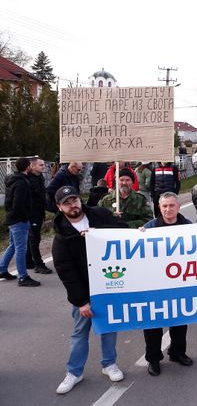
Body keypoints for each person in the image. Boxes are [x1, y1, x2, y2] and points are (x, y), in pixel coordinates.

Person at [51, 186, 127, 394]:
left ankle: (109, 364)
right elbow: (66, 273)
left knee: (109, 329)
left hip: (109, 286)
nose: (72, 204)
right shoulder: (61, 237)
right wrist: (81, 301)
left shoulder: (99, 215)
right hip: (84, 293)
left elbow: (123, 231)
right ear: (59, 207)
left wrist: (130, 231)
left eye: (74, 199)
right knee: (79, 334)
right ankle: (74, 372)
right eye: (66, 202)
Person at [140, 192, 194, 376]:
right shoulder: (150, 227)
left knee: (180, 321)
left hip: (180, 283)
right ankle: (153, 359)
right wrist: (137, 236)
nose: (168, 209)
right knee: (153, 324)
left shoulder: (188, 226)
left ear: (178, 207)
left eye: (172, 205)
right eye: (164, 206)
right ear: (159, 208)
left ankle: (177, 353)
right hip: (155, 285)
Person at [0, 157, 41, 286]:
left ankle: (2, 269)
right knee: (21, 248)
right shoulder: (22, 182)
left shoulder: (13, 180)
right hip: (19, 219)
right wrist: (25, 217)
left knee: (13, 245)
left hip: (12, 217)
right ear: (27, 167)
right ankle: (23, 277)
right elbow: (18, 204)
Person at [26, 157, 52, 274]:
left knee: (32, 238)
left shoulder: (39, 178)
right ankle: (38, 264)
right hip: (32, 213)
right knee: (34, 239)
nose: (44, 166)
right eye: (40, 165)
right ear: (32, 166)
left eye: (43, 164)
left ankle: (29, 261)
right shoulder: (28, 180)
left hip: (39, 212)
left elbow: (42, 196)